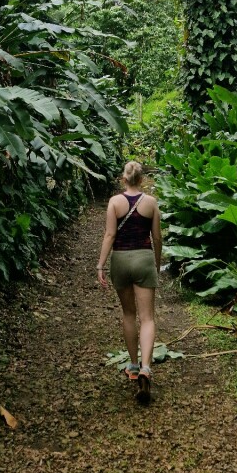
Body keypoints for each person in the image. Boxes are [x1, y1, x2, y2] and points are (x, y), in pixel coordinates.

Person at [96, 160, 162, 403]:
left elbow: (110, 235)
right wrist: (155, 263)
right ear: (141, 180)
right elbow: (156, 236)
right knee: (147, 318)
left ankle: (133, 366)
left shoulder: (114, 202)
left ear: (123, 179)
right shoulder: (151, 203)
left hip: (121, 260)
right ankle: (146, 367)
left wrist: (101, 264)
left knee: (128, 314)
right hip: (143, 258)